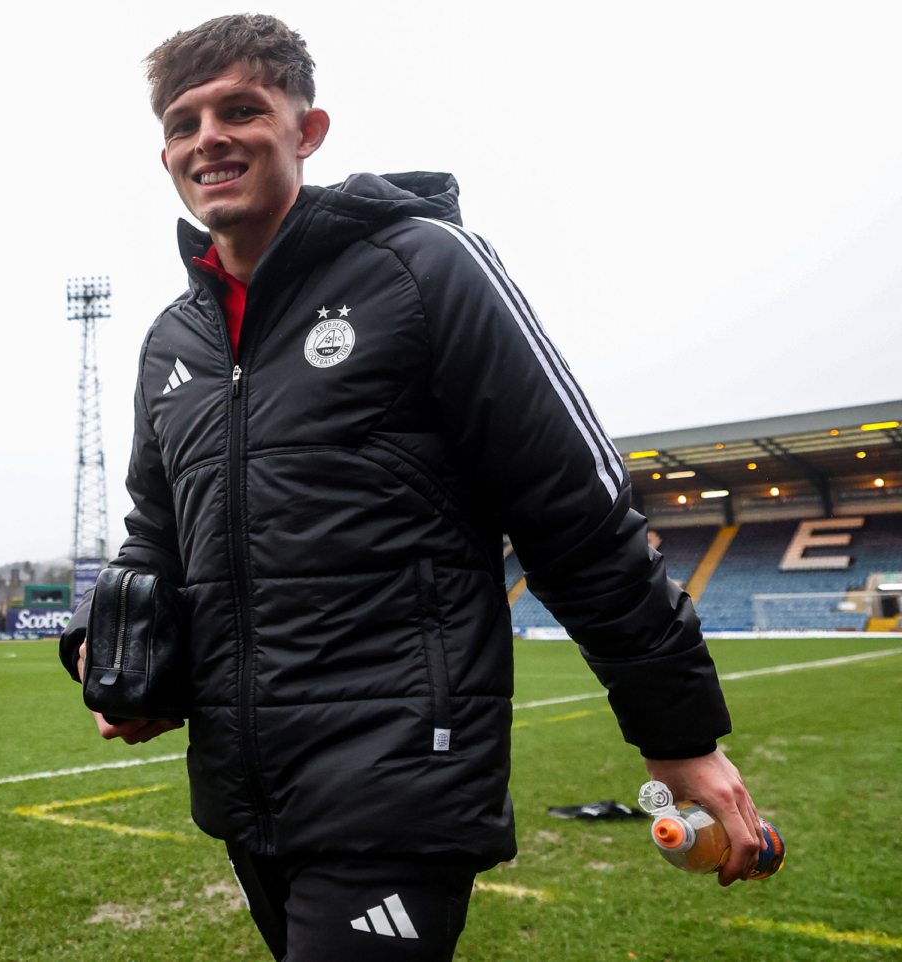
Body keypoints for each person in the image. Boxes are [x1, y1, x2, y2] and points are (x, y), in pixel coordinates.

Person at [58, 14, 762, 962]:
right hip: (244, 785)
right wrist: (112, 652)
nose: (208, 139)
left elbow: (575, 511)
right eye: (184, 124)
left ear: (307, 132)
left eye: (240, 110)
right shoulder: (172, 341)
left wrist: (677, 734)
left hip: (398, 770)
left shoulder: (424, 268)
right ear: (166, 155)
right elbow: (156, 536)